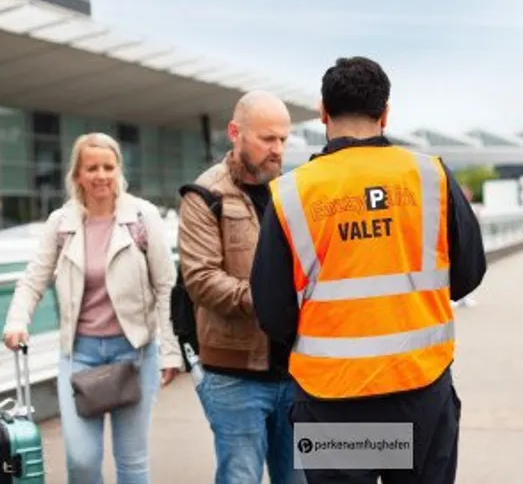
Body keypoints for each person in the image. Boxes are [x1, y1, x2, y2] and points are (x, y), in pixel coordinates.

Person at [250, 56, 487, 484]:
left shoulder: (291, 193)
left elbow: (271, 311)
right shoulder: (429, 176)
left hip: (333, 401)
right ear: (386, 113)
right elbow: (468, 273)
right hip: (420, 389)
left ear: (323, 113)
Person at [2, 132, 182, 484]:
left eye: (108, 167)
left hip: (134, 356)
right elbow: (33, 279)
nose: (101, 175)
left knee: (132, 461)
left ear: (118, 170)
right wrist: (16, 320)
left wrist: (171, 353)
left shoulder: (142, 217)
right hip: (79, 356)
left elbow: (166, 287)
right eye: (92, 167)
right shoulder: (61, 223)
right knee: (81, 460)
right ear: (78, 174)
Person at [177, 90, 300, 484]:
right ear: (235, 132)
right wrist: (272, 300)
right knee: (240, 477)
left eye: (283, 139)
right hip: (235, 375)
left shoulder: (296, 192)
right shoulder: (204, 195)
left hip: (299, 371)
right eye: (267, 138)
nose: (277, 149)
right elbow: (202, 281)